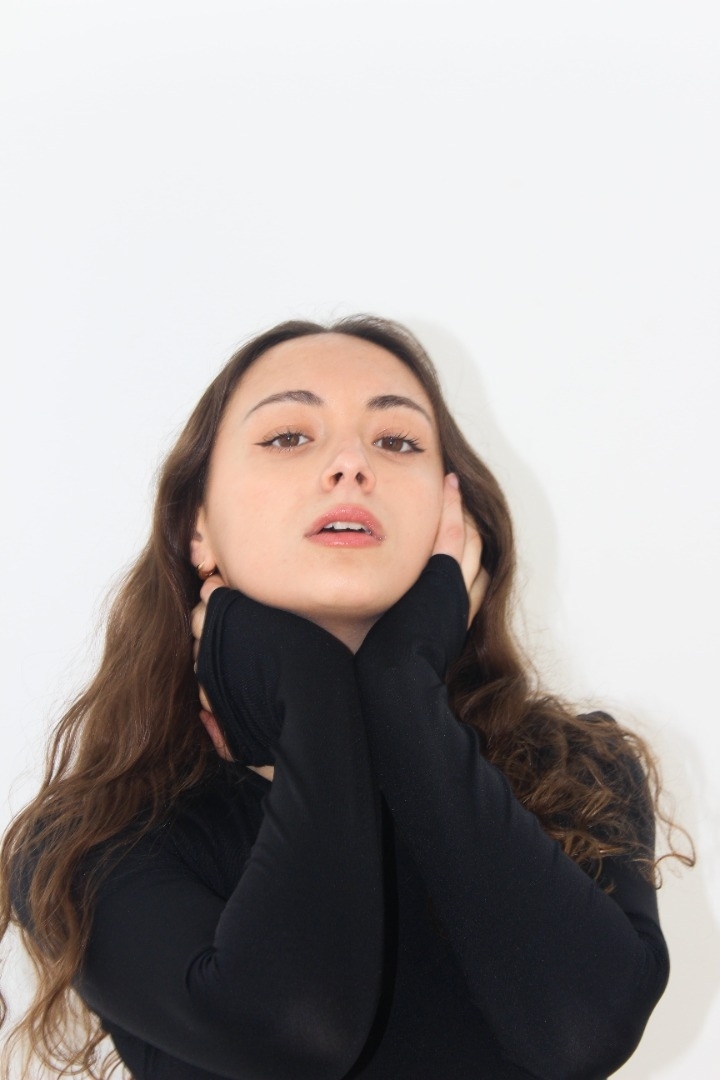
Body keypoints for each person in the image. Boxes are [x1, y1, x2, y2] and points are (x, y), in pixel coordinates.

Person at [0, 316, 691, 1080]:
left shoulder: (576, 768)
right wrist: (315, 683)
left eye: (396, 441)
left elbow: (581, 1033)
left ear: (453, 515)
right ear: (199, 528)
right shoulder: (97, 836)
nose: (350, 465)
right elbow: (296, 1032)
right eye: (288, 437)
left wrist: (398, 688)